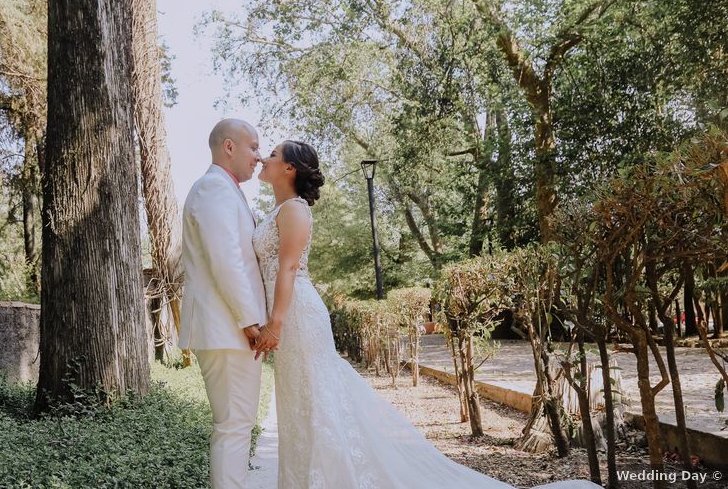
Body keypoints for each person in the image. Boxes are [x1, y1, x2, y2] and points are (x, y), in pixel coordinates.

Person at [250, 140, 601, 489]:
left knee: (316, 403)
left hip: (296, 315)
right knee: (301, 403)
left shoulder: (294, 209)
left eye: (273, 155)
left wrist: (275, 323)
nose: (265, 158)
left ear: (289, 168)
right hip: (289, 313)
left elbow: (290, 267)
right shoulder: (277, 211)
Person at [178, 118, 267, 489]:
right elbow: (225, 259)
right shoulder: (213, 188)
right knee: (233, 427)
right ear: (228, 146)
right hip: (226, 329)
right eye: (253, 147)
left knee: (238, 425)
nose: (259, 158)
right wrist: (250, 320)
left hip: (230, 329)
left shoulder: (226, 190)